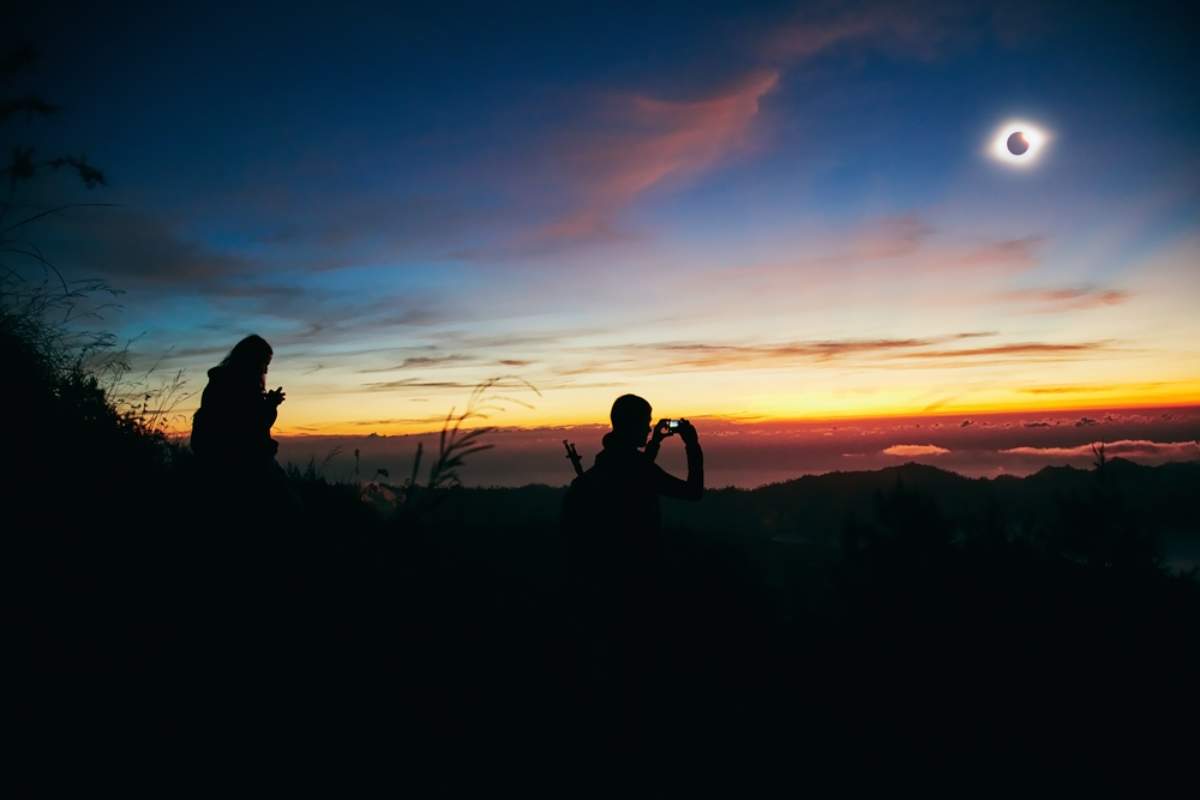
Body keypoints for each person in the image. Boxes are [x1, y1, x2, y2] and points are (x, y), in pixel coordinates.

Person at [560, 394, 704, 737]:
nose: (651, 426)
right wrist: (692, 445)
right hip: (638, 589)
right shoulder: (635, 470)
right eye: (647, 421)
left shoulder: (600, 471)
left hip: (598, 589)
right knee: (637, 673)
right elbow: (693, 492)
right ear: (632, 424)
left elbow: (633, 473)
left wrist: (653, 445)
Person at [190, 334, 294, 519]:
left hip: (223, 461)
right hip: (244, 464)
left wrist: (268, 404)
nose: (266, 371)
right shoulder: (240, 388)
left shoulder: (220, 383)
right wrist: (270, 406)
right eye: (264, 364)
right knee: (288, 510)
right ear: (252, 361)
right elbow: (252, 427)